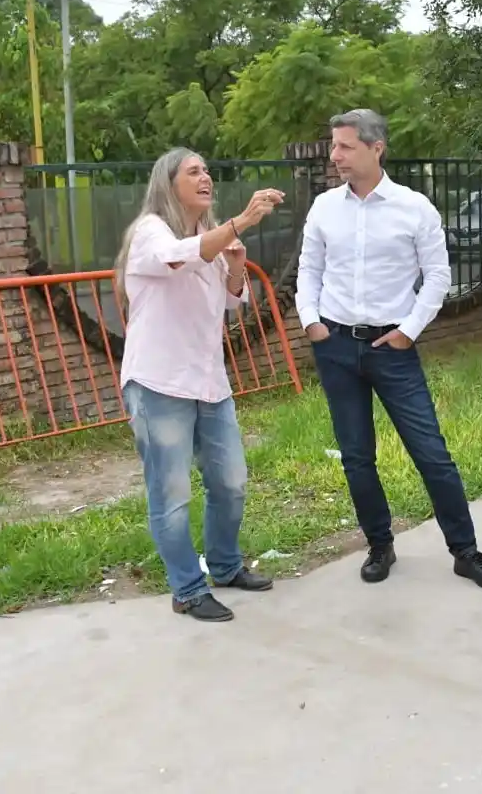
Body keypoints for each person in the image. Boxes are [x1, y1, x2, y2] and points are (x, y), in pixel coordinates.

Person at [295, 108, 482, 590]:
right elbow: (309, 270)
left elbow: (438, 276)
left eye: (345, 146)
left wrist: (410, 329)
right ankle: (379, 543)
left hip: (392, 347)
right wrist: (311, 321)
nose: (335, 156)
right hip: (335, 345)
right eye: (334, 146)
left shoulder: (414, 208)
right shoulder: (325, 207)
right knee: (356, 456)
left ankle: (465, 551)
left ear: (376, 147)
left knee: (431, 453)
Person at [113, 147, 286, 623]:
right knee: (172, 495)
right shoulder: (153, 231)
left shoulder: (204, 237)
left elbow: (235, 302)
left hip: (209, 381)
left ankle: (226, 568)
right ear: (169, 184)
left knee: (230, 482)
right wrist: (241, 221)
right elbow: (173, 261)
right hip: (158, 383)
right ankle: (187, 590)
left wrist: (235, 265)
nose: (205, 176)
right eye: (193, 171)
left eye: (207, 170)